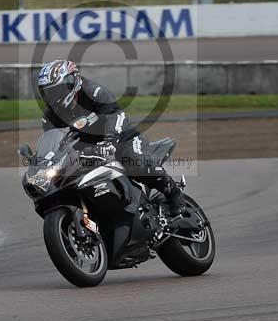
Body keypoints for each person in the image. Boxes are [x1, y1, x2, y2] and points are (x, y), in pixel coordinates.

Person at [36, 59, 186, 216]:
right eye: (47, 93)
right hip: (86, 150)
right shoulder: (50, 116)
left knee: (136, 163)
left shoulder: (94, 92)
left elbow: (116, 115)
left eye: (55, 91)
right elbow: (53, 142)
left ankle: (174, 194)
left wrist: (109, 141)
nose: (51, 97)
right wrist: (42, 162)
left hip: (122, 139)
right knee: (63, 181)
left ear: (71, 81)